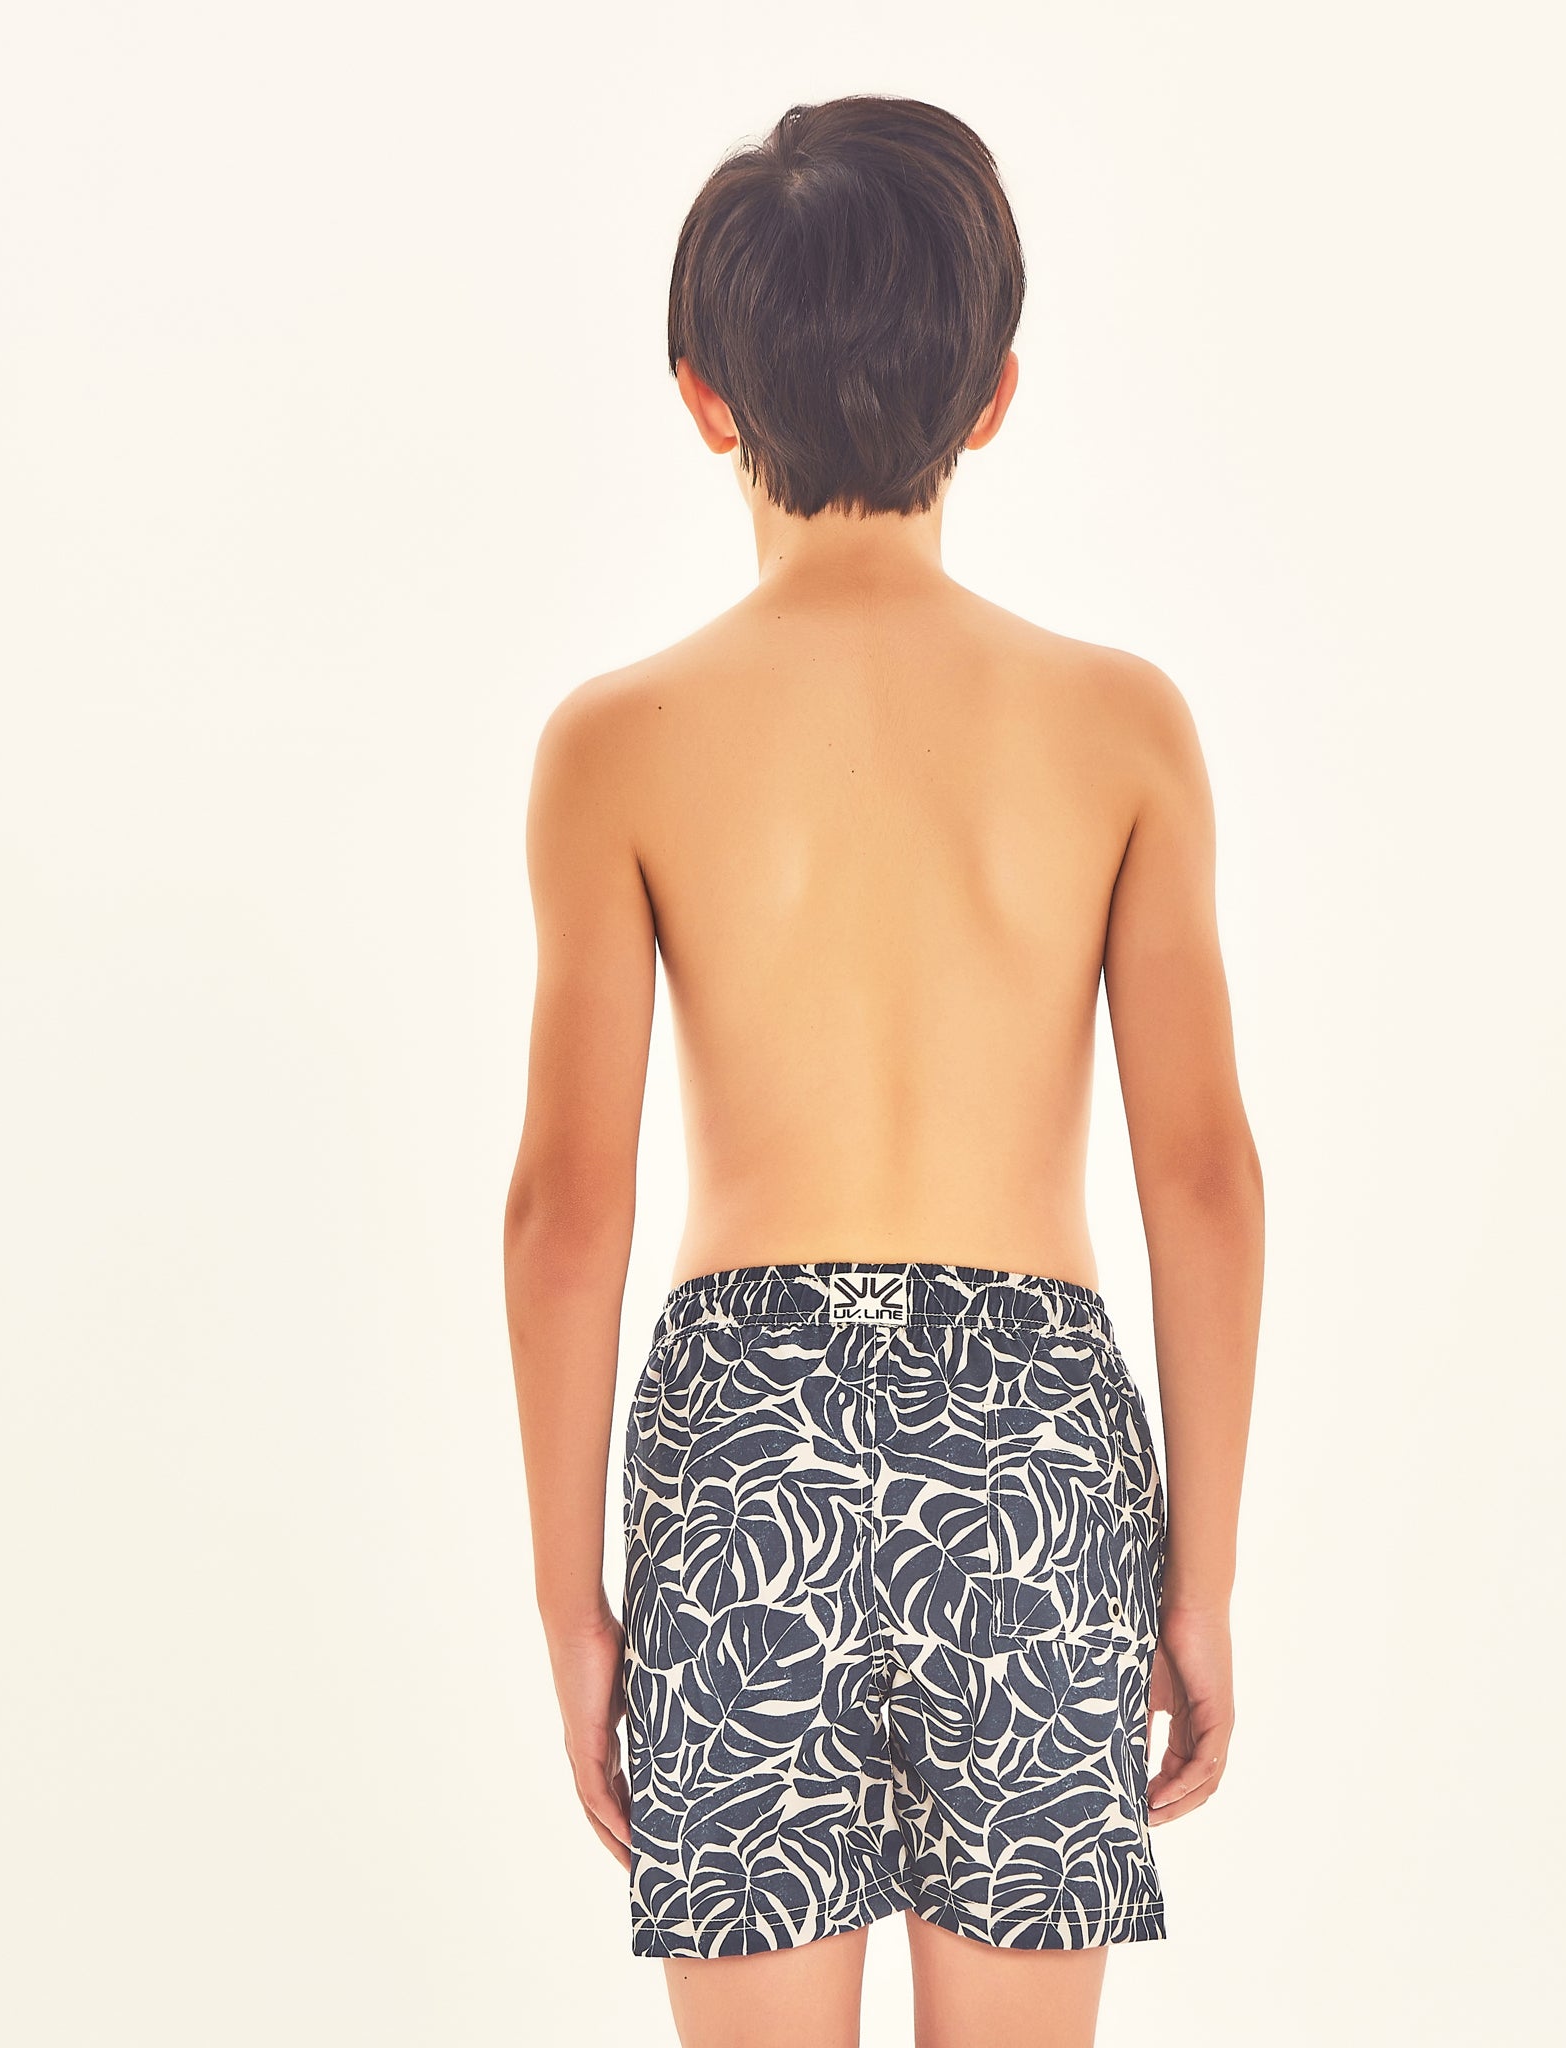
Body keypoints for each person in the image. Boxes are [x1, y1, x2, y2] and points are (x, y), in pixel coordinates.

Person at [504, 95, 1263, 2048]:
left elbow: (568, 1210)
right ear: (995, 395)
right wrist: (1197, 1575)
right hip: (1034, 1440)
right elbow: (1202, 1176)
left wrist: (573, 1604)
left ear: (700, 396)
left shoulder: (617, 742)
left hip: (743, 1438)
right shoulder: (1121, 727)